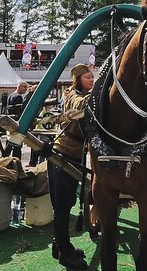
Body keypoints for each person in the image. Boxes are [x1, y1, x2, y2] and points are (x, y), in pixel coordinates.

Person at [48, 63, 93, 270]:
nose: (91, 80)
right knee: (63, 204)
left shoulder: (81, 93)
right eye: (88, 78)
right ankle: (65, 253)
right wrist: (101, 88)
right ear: (77, 81)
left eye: (93, 77)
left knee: (64, 203)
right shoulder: (72, 96)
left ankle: (59, 246)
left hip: (72, 154)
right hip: (63, 153)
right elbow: (81, 105)